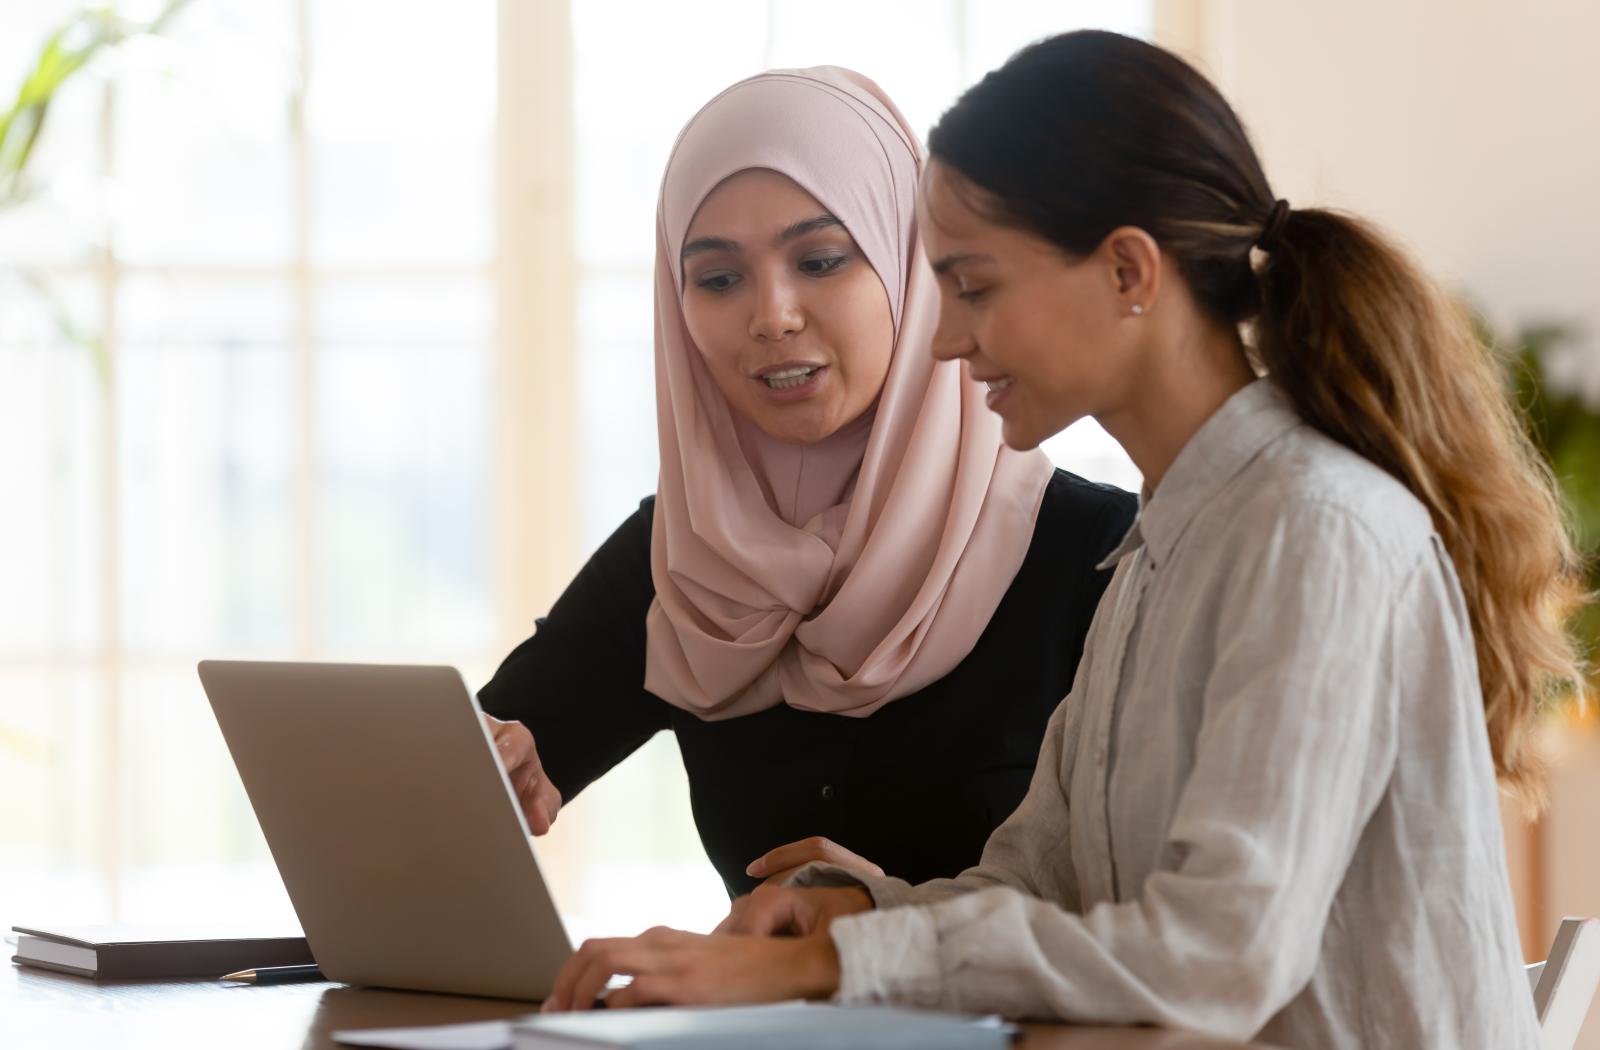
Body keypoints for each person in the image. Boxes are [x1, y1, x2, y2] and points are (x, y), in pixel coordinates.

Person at [540, 32, 1589, 1049]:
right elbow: (1039, 876)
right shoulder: (1158, 548)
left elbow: (1222, 953)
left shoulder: (1313, 531)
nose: (944, 337)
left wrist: (822, 968)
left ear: (1129, 272)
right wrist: (859, 915)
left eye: (975, 286)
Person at [478, 66, 1135, 899]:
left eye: (822, 260)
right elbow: (490, 753)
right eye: (718, 279)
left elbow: (1159, 917)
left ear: (915, 268)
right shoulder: (683, 553)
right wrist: (486, 763)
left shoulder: (1103, 558)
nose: (772, 315)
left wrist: (887, 925)